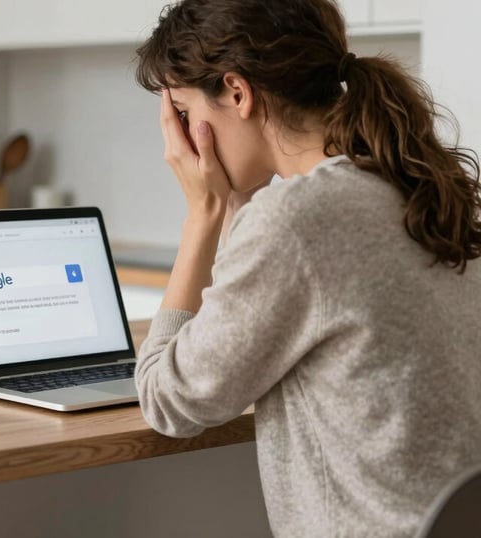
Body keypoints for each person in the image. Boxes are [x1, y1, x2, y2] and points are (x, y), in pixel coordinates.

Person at [133, 0, 481, 536]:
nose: (178, 140)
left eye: (183, 114)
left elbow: (169, 399)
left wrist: (201, 216)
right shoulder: (419, 185)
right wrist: (237, 204)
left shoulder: (295, 222)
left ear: (237, 93)